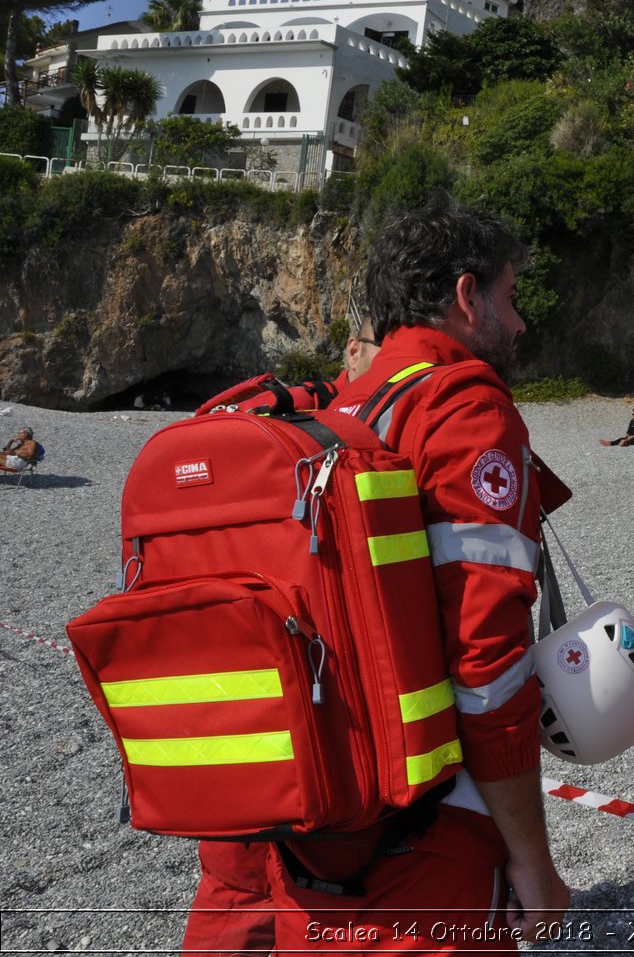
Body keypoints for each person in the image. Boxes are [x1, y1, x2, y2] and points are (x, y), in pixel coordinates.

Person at [260, 198, 568, 951]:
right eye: (510, 296)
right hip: (428, 836)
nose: (520, 321)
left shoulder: (334, 409)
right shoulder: (461, 409)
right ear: (466, 296)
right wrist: (533, 859)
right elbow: (487, 667)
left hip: (309, 826)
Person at [180, 311, 384, 956]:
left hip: (226, 688)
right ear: (353, 347)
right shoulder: (338, 428)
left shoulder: (268, 416)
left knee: (235, 881)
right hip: (313, 704)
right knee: (300, 885)